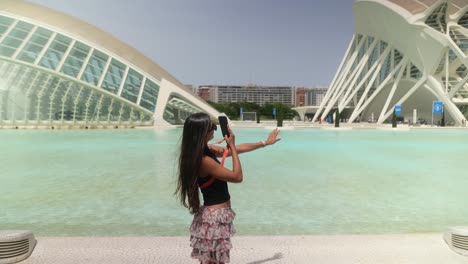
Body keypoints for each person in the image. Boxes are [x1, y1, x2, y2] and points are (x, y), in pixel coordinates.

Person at [175, 112, 281, 264]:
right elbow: (237, 177)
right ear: (203, 132)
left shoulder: (204, 152)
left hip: (211, 216)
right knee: (216, 261)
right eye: (212, 126)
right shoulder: (204, 161)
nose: (215, 128)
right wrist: (230, 144)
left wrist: (264, 142)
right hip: (215, 217)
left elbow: (238, 150)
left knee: (211, 261)